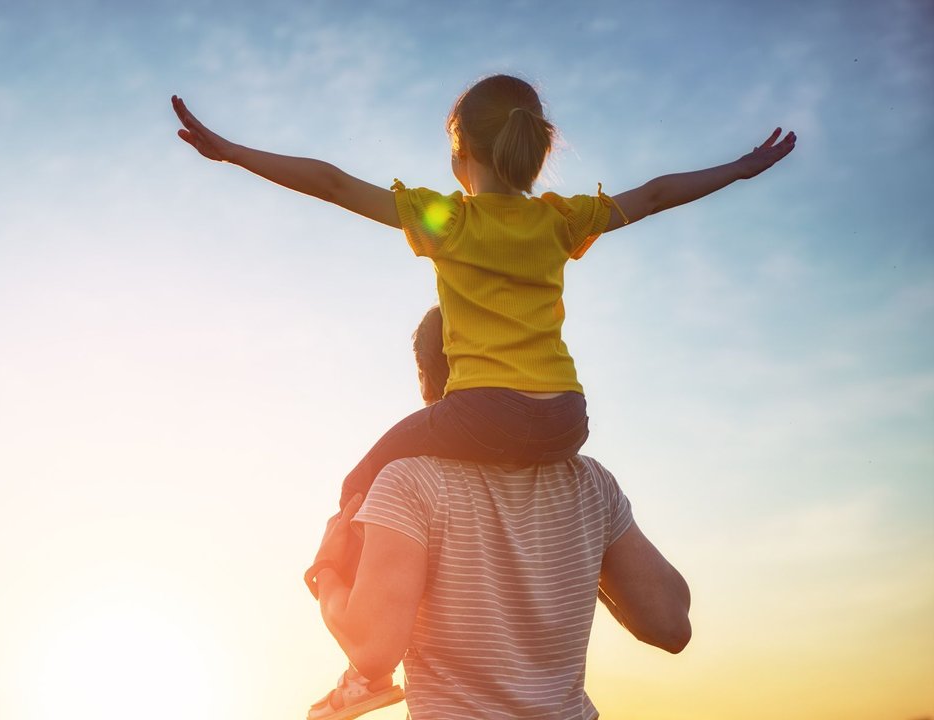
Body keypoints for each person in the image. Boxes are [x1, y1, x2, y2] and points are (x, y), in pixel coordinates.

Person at [172, 74, 792, 712]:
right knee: (379, 476)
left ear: (459, 150)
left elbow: (332, 182)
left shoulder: (450, 221)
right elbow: (659, 193)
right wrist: (741, 168)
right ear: (535, 148)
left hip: (481, 411)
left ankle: (364, 680)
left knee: (359, 481)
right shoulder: (561, 221)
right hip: (565, 420)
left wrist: (236, 153)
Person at [306, 305, 691, 719]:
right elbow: (671, 624)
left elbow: (373, 650)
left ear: (424, 381)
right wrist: (584, 555)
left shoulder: (409, 482)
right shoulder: (590, 483)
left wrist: (325, 569)